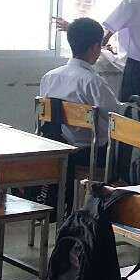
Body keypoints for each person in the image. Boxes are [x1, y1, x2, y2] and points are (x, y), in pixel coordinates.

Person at [39, 17, 121, 177]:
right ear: (95, 47)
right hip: (90, 153)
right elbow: (116, 117)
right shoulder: (92, 81)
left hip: (57, 146)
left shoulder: (49, 77)